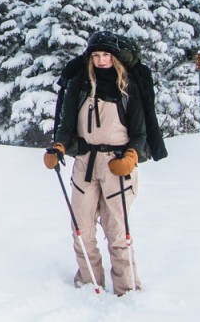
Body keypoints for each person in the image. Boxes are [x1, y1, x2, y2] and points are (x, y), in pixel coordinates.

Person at [43, 30, 147, 295]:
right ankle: (90, 284)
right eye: (96, 56)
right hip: (85, 162)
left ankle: (127, 289)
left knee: (117, 231)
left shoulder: (128, 88)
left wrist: (132, 156)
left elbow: (139, 132)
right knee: (81, 228)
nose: (101, 61)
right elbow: (66, 127)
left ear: (115, 58)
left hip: (117, 164)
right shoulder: (79, 85)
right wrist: (58, 147)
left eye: (106, 56)